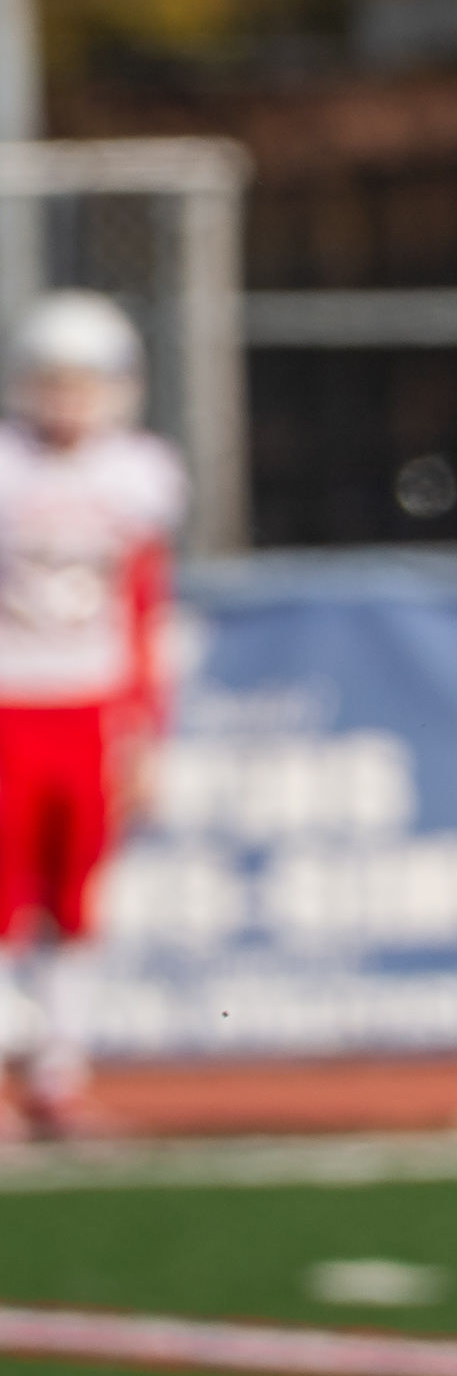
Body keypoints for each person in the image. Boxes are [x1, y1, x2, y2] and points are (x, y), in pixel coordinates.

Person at [0, 295, 183, 1137]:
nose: (67, 399)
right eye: (53, 380)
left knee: (77, 898)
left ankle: (59, 1072)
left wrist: (145, 724)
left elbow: (148, 601)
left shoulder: (136, 473)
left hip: (90, 702)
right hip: (10, 698)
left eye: (84, 381)